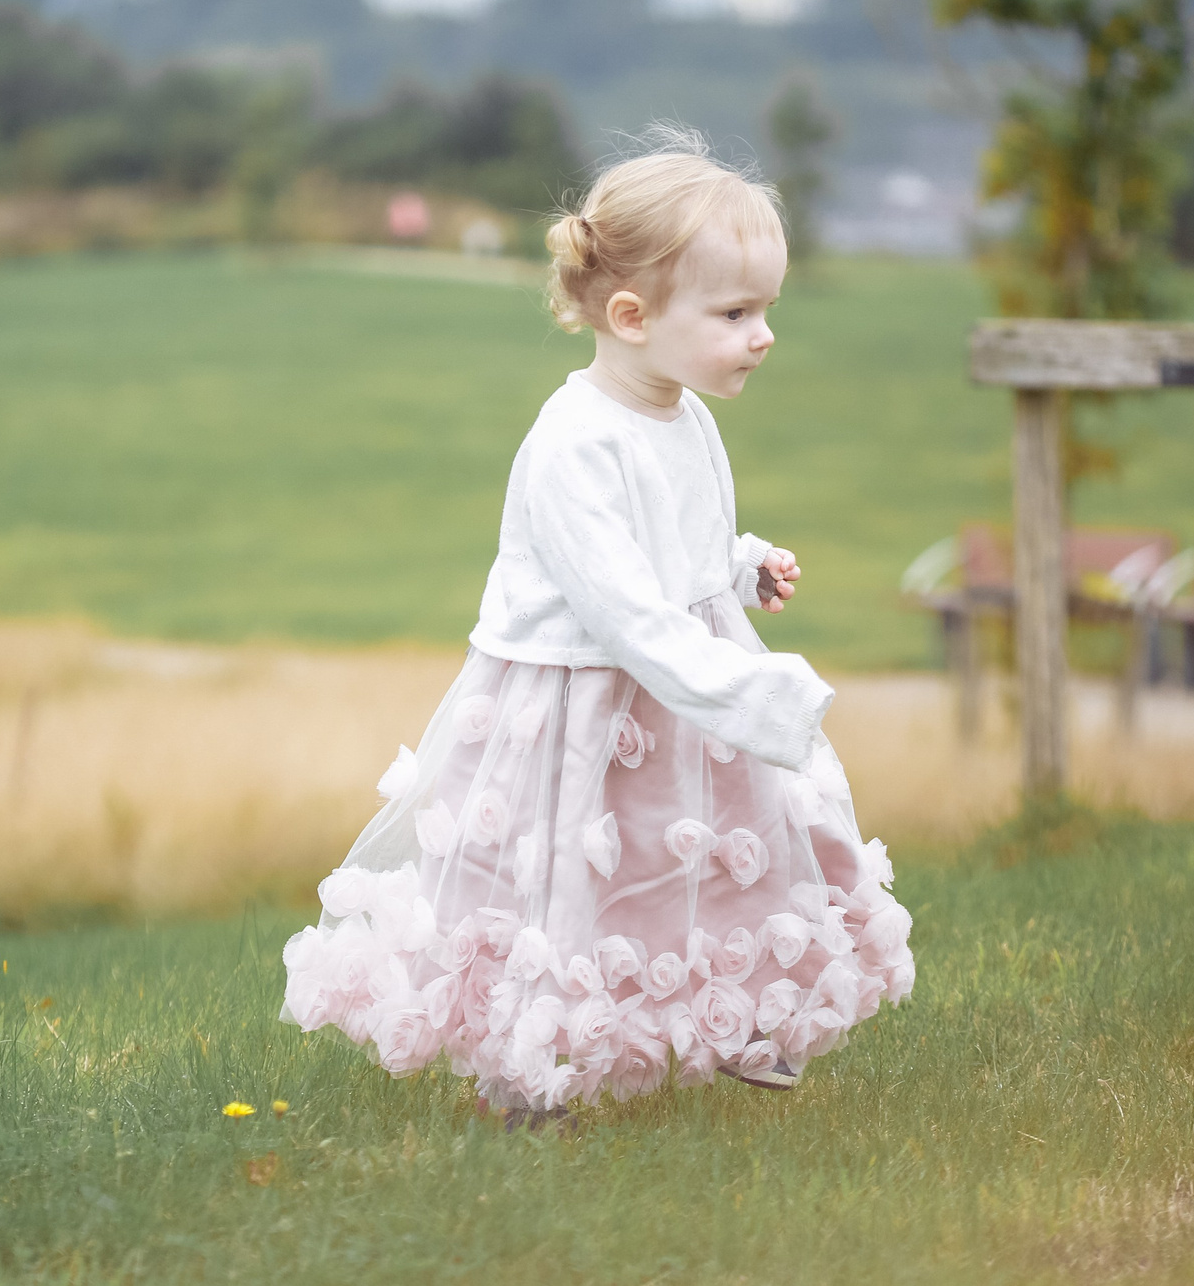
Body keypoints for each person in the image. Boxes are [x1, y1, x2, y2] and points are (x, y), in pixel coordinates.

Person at [280, 129, 914, 1116]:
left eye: (766, 311)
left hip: (676, 679)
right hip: (583, 694)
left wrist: (737, 570)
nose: (763, 334)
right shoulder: (573, 443)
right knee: (568, 878)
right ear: (630, 315)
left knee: (699, 859)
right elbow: (618, 607)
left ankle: (735, 1014)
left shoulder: (682, 412)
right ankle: (535, 1062)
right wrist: (750, 688)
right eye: (736, 312)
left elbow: (672, 544)